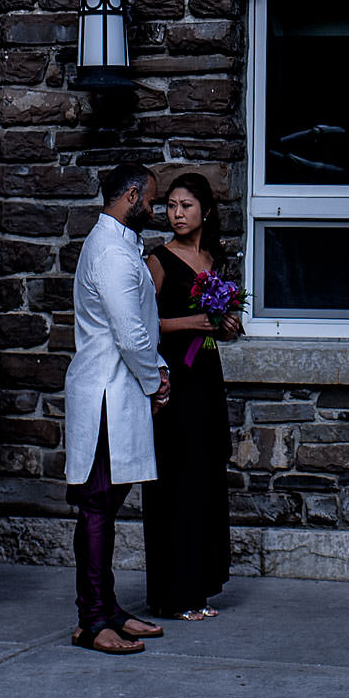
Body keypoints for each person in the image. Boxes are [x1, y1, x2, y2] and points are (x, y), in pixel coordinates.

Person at [65, 162, 172, 655]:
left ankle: (107, 609)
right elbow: (130, 335)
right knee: (97, 506)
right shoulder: (110, 251)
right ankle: (92, 621)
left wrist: (159, 369)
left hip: (121, 388)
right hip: (107, 392)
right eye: (152, 198)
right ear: (131, 195)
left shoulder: (122, 244)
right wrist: (155, 383)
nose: (158, 207)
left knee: (105, 506)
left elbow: (139, 326)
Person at [143, 172, 238, 622]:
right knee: (174, 483)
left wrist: (227, 326)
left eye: (185, 206)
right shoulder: (158, 260)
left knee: (204, 479)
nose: (176, 214)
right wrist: (193, 324)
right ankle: (172, 594)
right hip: (172, 381)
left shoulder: (213, 258)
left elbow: (219, 322)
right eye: (171, 206)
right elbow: (141, 325)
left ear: (206, 210)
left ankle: (199, 587)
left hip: (206, 376)